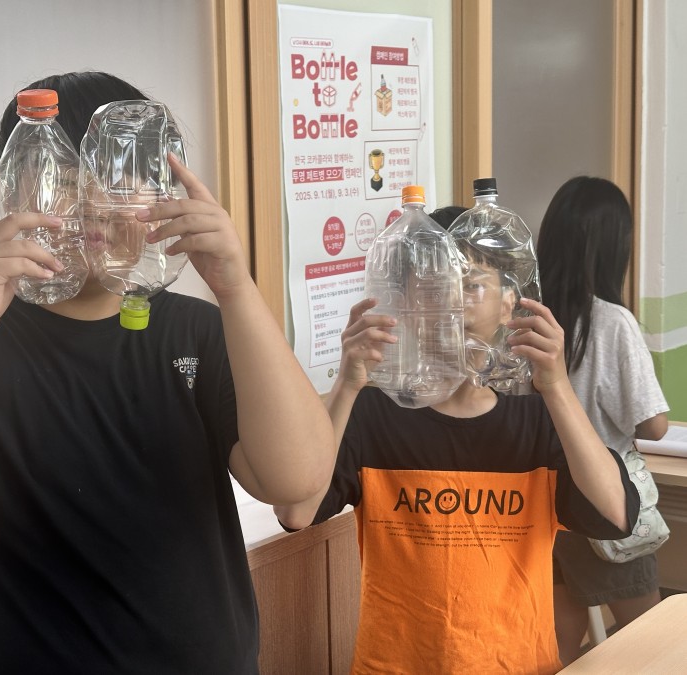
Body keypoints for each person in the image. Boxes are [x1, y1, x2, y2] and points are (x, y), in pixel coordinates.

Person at [0, 71, 334, 673]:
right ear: (14, 194)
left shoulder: (201, 333)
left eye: (117, 179)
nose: (93, 206)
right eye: (64, 182)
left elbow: (296, 480)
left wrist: (235, 288)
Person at [274, 243, 640, 673]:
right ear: (408, 307)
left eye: (471, 284)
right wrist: (348, 384)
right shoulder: (373, 416)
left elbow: (617, 514)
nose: (452, 300)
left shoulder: (536, 422)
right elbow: (296, 511)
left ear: (508, 304)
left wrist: (557, 386)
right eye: (434, 285)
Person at [537, 175, 669, 665]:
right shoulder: (611, 322)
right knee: (653, 647)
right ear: (614, 248)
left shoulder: (527, 317)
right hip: (604, 507)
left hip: (545, 508)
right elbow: (652, 425)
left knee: (556, 649)